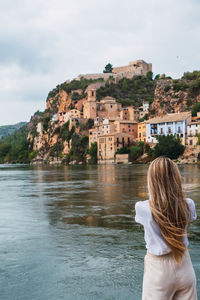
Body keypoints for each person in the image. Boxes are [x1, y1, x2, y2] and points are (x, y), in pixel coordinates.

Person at [135, 157, 197, 300]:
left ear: (151, 180)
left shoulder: (143, 208)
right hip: (184, 264)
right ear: (176, 178)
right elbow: (189, 220)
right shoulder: (188, 205)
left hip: (158, 270)